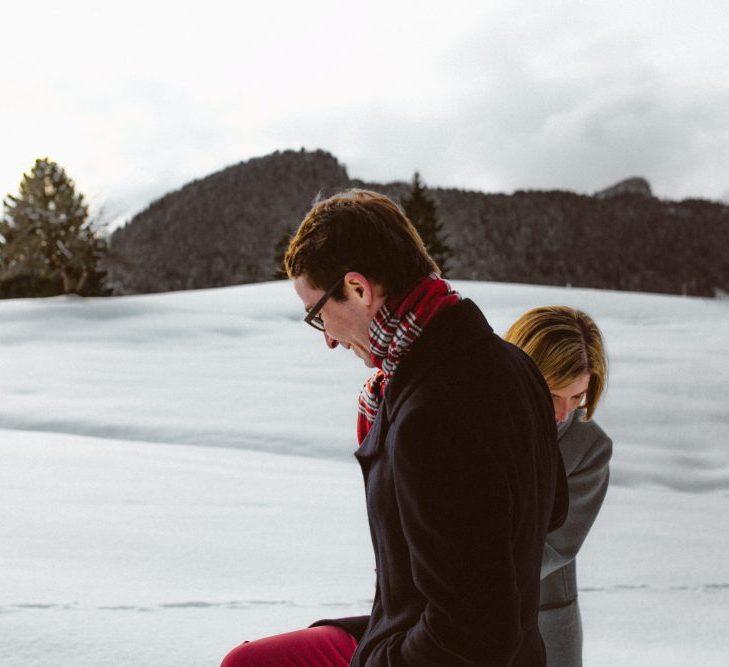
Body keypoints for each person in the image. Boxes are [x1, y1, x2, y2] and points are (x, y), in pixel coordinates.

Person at [221, 190, 568, 666]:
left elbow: (475, 633)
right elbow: (551, 511)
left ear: (359, 288)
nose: (326, 338)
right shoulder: (513, 365)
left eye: (318, 313)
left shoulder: (430, 412)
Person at [504, 306, 613, 667]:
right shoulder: (474, 423)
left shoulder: (589, 447)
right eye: (552, 396)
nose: (564, 414)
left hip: (545, 625)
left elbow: (554, 547)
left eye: (578, 397)